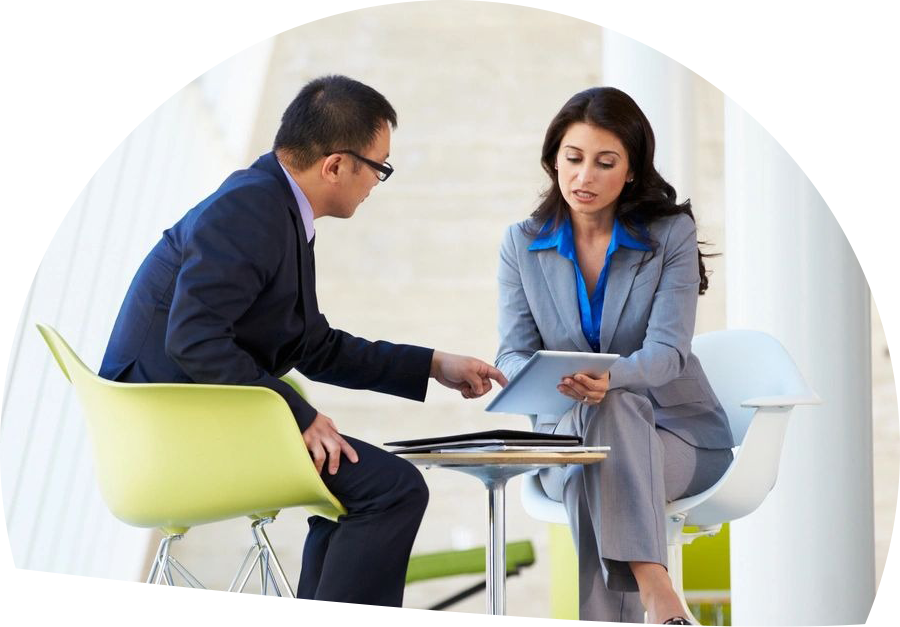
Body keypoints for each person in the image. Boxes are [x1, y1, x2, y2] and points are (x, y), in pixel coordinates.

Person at [99, 74, 507, 608]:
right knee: (392, 490)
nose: (375, 185)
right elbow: (194, 340)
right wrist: (300, 416)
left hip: (187, 417)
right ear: (336, 165)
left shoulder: (271, 206)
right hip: (170, 431)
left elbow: (313, 347)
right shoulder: (250, 211)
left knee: (361, 493)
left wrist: (433, 364)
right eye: (379, 169)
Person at [495, 87, 735, 625]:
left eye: (605, 163)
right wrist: (546, 379)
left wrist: (605, 380)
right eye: (573, 159)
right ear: (553, 158)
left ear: (630, 171)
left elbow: (667, 355)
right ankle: (659, 593)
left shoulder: (670, 234)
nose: (584, 177)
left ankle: (636, 606)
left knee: (610, 417)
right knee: (595, 435)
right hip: (565, 442)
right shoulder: (520, 243)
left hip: (677, 437)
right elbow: (511, 354)